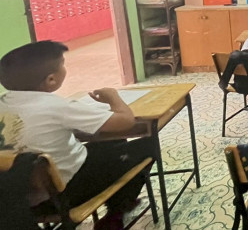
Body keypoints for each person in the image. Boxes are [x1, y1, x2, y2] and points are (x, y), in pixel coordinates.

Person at [0, 41, 153, 229]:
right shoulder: (57, 106)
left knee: (115, 142)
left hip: (13, 199)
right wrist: (113, 97)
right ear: (51, 80)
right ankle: (115, 214)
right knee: (147, 146)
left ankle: (122, 200)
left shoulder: (3, 102)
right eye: (62, 64)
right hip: (62, 196)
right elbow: (126, 122)